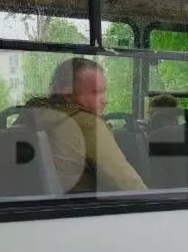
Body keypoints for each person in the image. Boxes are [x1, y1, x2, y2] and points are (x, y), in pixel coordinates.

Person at [29, 57, 146, 193]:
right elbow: (128, 184)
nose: (105, 101)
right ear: (67, 93)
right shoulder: (88, 124)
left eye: (104, 92)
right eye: (96, 92)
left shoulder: (33, 118)